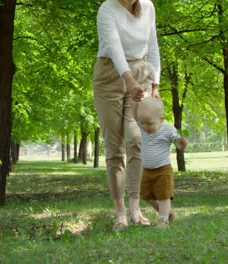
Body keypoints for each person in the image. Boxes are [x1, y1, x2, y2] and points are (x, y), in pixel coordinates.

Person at [93, 0, 161, 231]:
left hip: (140, 73)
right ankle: (120, 212)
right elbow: (113, 47)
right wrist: (127, 78)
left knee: (137, 139)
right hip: (109, 75)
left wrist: (155, 83)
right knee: (115, 149)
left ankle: (135, 208)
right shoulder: (107, 9)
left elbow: (152, 47)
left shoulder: (148, 7)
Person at [133, 97, 188, 228]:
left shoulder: (168, 130)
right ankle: (167, 213)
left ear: (161, 119)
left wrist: (183, 143)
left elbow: (179, 145)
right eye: (142, 123)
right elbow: (134, 113)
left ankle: (163, 220)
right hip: (147, 170)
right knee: (146, 195)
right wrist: (134, 98)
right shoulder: (142, 126)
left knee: (164, 196)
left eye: (149, 123)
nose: (145, 127)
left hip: (163, 169)